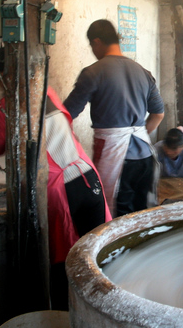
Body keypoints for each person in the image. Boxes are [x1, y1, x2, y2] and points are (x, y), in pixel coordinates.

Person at [0, 83, 111, 311]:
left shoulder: (9, 102)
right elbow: (27, 116)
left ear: (5, 75)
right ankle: (104, 307)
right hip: (87, 176)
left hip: (61, 188)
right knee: (100, 253)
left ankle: (64, 320)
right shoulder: (45, 90)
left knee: (65, 263)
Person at [64, 19, 164, 218]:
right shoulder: (143, 72)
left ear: (97, 42)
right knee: (143, 215)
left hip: (116, 158)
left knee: (118, 217)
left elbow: (67, 114)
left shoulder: (93, 72)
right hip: (145, 156)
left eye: (92, 46)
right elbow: (158, 114)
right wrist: (139, 133)